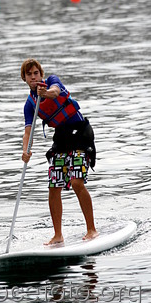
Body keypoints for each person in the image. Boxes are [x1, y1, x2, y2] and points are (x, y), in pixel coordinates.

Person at [21, 58, 98, 245]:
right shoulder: (30, 105)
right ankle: (58, 235)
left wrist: (45, 93)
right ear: (24, 78)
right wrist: (25, 151)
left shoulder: (53, 82)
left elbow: (55, 93)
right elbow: (27, 131)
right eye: (29, 74)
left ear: (41, 75)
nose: (34, 76)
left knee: (76, 182)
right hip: (62, 139)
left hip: (80, 134)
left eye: (36, 73)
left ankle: (91, 229)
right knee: (53, 187)